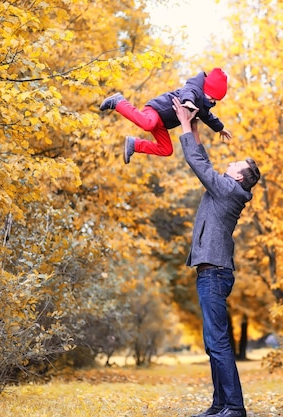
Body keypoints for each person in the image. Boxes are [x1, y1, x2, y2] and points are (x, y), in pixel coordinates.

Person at [172, 97, 260, 417]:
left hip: (214, 273)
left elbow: (199, 165)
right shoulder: (227, 187)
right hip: (210, 272)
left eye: (237, 164)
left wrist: (183, 124)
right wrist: (194, 125)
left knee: (219, 342)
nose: (231, 162)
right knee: (213, 342)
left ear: (239, 177)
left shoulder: (229, 191)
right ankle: (220, 404)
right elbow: (205, 161)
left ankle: (234, 407)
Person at [98, 68, 232, 164]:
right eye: (212, 98)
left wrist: (220, 128)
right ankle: (118, 102)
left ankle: (134, 144)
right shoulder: (194, 88)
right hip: (156, 109)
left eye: (215, 101)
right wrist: (188, 102)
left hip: (162, 124)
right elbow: (188, 93)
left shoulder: (203, 104)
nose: (213, 102)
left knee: (167, 149)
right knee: (148, 123)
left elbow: (208, 116)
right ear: (206, 89)